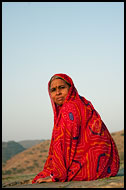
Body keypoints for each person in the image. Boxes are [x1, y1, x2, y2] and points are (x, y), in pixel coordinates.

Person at [32, 73, 120, 184]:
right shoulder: (81, 102)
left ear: (71, 88)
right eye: (53, 90)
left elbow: (64, 144)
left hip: (92, 168)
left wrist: (56, 176)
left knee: (41, 178)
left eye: (62, 88)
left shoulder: (69, 108)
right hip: (108, 165)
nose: (58, 92)